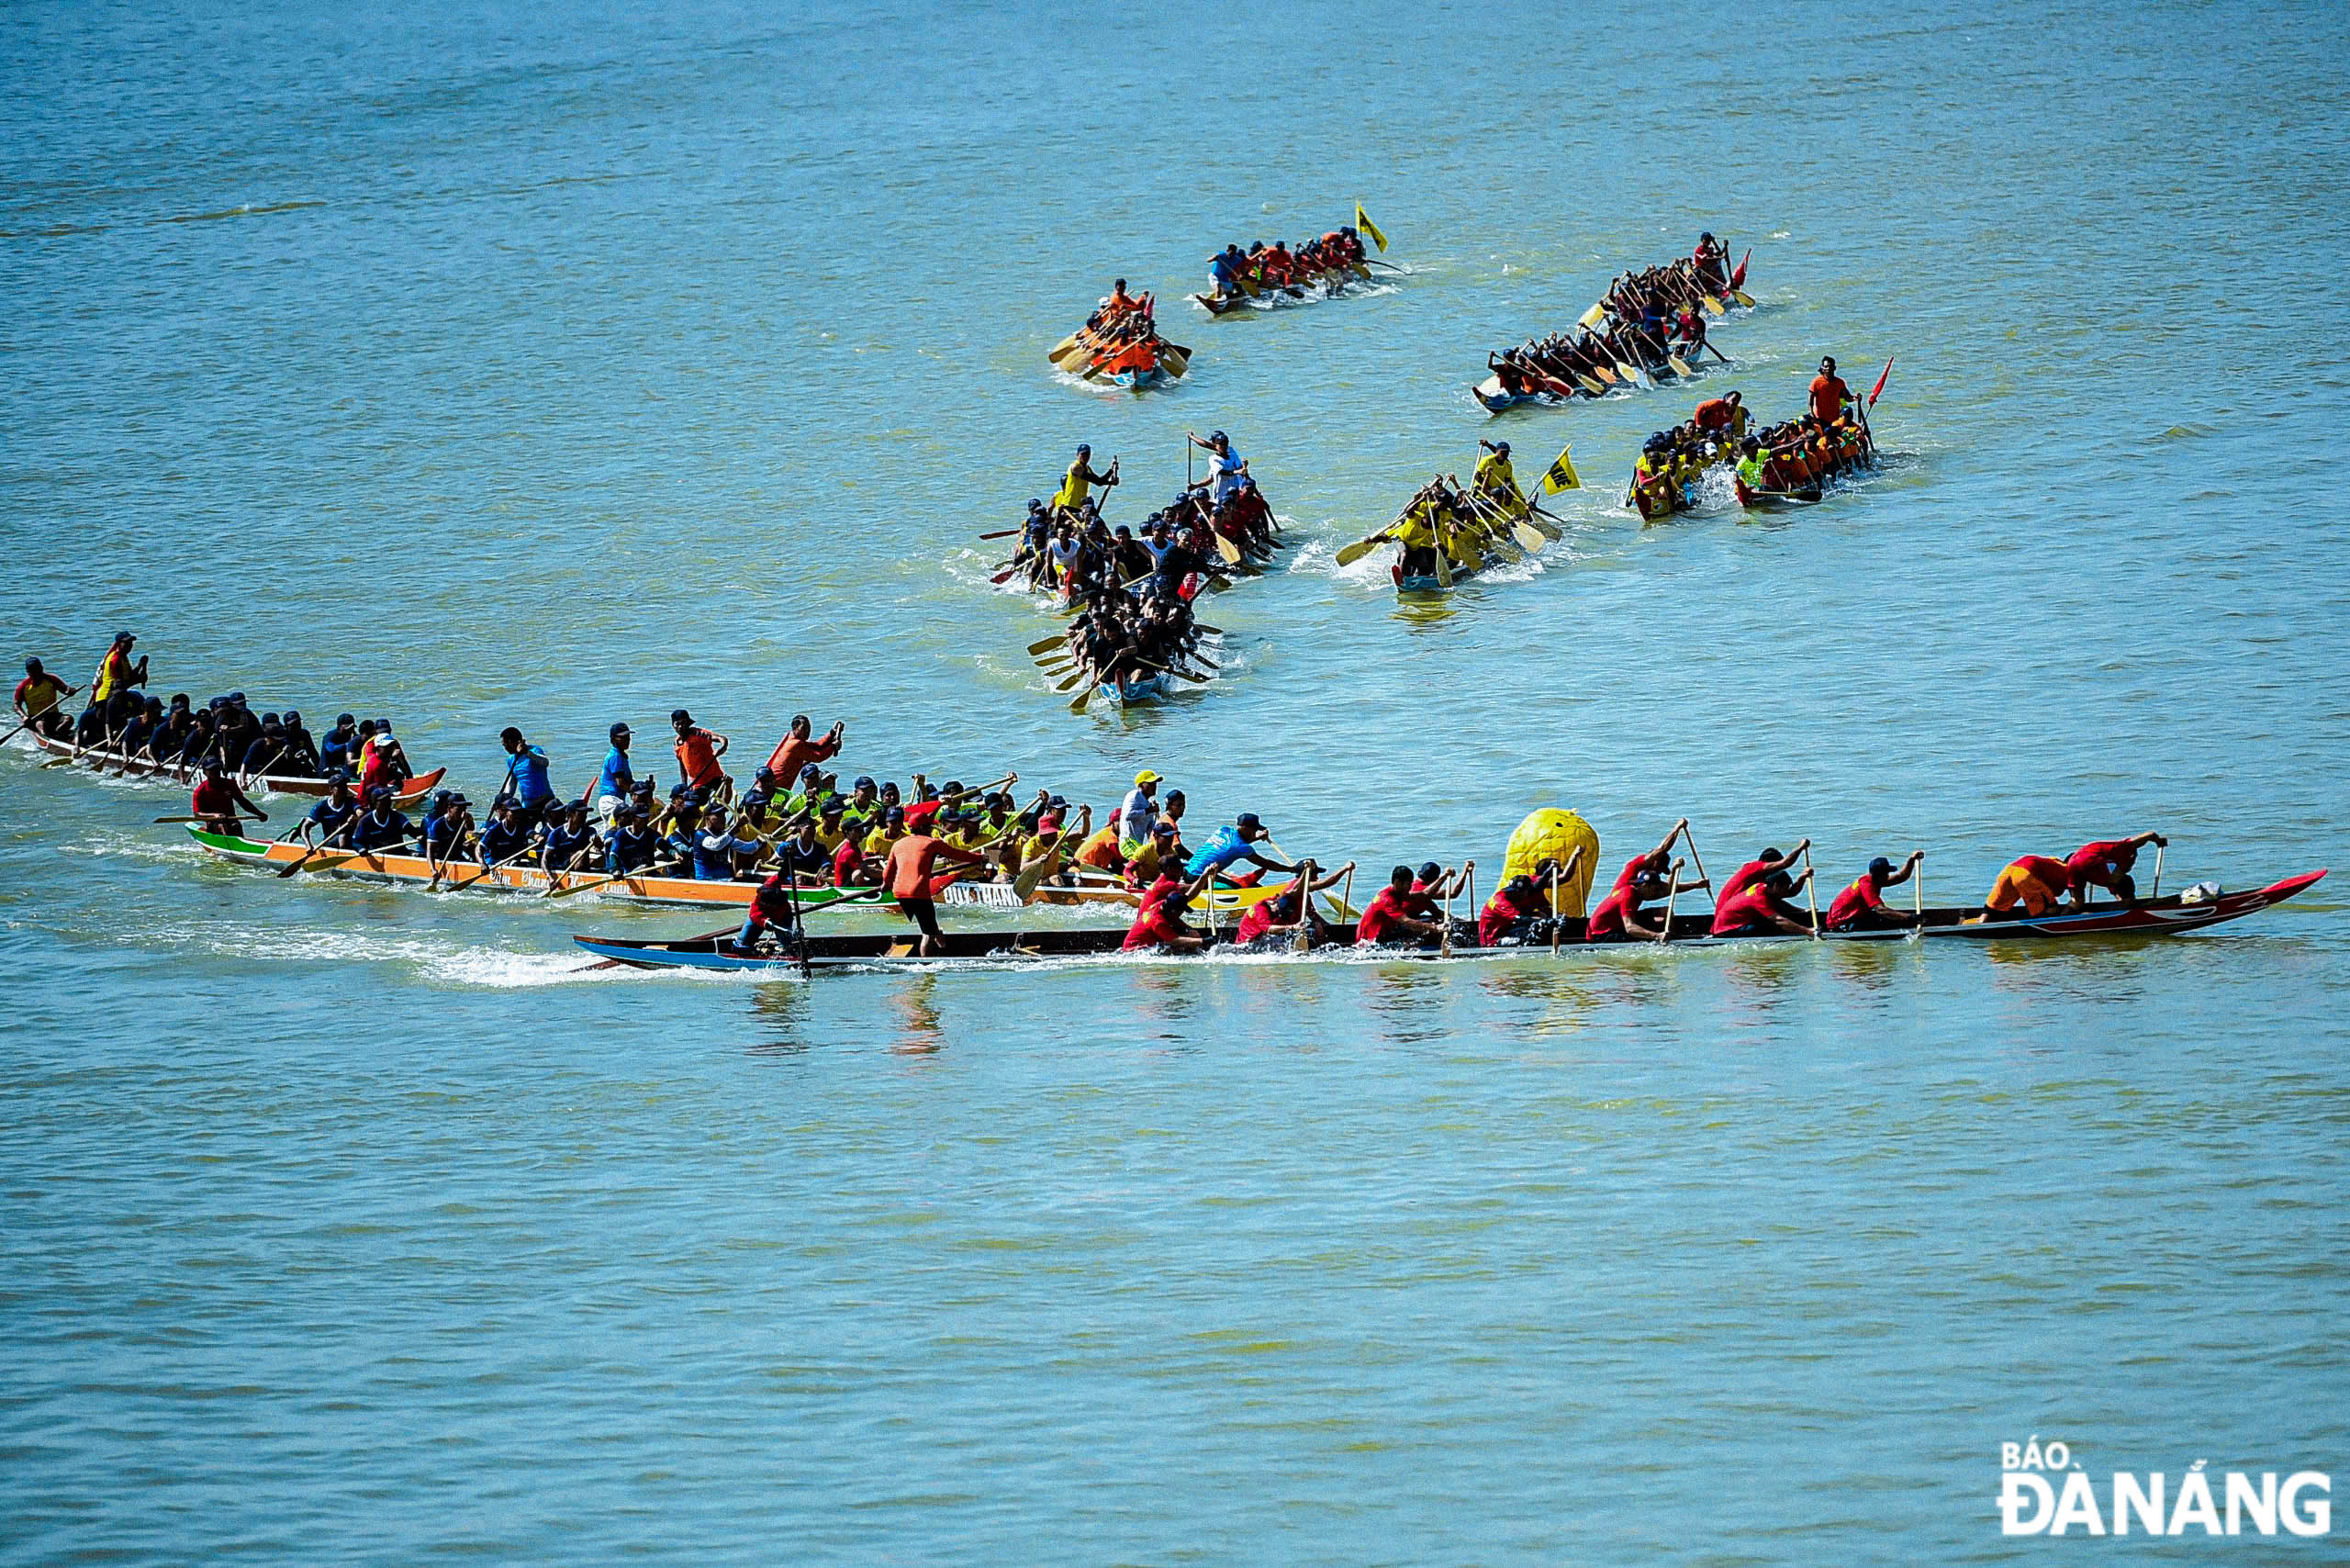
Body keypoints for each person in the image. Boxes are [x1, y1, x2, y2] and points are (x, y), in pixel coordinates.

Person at [880, 826, 991, 957]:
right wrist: (979, 857)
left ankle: (944, 947)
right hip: (918, 891)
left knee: (930, 925)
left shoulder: (898, 844)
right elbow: (958, 854)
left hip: (899, 892)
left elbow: (888, 873)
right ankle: (927, 967)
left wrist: (886, 885)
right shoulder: (932, 843)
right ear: (925, 828)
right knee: (928, 933)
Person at [1587, 826, 1699, 941]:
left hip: (1623, 917)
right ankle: (1660, 937)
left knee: (1665, 912)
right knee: (1640, 934)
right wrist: (1677, 828)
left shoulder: (1642, 884)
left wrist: (1693, 882)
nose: (1660, 872)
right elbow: (1662, 850)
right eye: (1660, 868)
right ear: (1645, 886)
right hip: (1602, 932)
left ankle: (1672, 937)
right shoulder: (1633, 872)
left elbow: (1668, 889)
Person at [1233, 860, 1354, 949]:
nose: (1317, 877)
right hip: (1250, 944)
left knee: (1314, 928)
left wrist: (1332, 930)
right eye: (1315, 873)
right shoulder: (1293, 889)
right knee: (1310, 933)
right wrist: (1344, 869)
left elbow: (1313, 915)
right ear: (1307, 876)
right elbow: (1326, 883)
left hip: (1279, 933)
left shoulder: (1305, 897)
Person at [1710, 842, 1816, 936]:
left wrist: (1802, 877)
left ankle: (1797, 920)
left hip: (1735, 916)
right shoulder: (1754, 868)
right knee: (1774, 923)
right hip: (1728, 922)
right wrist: (1801, 847)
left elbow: (1787, 894)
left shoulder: (1762, 885)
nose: (1777, 871)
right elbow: (1785, 863)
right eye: (1775, 867)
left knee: (1772, 907)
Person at [1122, 864, 1218, 953]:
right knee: (1179, 946)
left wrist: (1189, 930)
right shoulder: (1158, 920)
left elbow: (1176, 920)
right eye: (1180, 910)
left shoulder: (1160, 906)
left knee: (1192, 935)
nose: (1182, 872)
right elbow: (1175, 941)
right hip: (1134, 951)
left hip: (1148, 943)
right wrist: (1205, 941)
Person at [1825, 853, 1926, 932]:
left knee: (1888, 919)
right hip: (1840, 924)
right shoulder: (1867, 886)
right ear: (1879, 875)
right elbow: (1881, 910)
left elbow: (1901, 877)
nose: (1888, 876)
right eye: (1886, 874)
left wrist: (1911, 859)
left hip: (1851, 916)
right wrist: (1910, 917)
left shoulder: (1874, 880)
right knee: (1885, 918)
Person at [2064, 832, 2167, 904]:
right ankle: (2129, 905)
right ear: (2131, 857)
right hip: (2088, 859)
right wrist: (2159, 841)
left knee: (2077, 902)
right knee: (2126, 880)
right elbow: (2150, 835)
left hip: (2072, 864)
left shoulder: (2107, 871)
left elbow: (2115, 887)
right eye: (2132, 862)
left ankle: (2062, 918)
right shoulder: (2123, 848)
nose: (2132, 865)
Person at [1356, 866, 1447, 946]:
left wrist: (1444, 877)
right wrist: (1435, 928)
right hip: (1369, 942)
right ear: (1398, 883)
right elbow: (1407, 922)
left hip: (1385, 932)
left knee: (1428, 925)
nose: (1411, 887)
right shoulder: (1387, 900)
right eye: (1409, 883)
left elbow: (1424, 895)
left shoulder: (1397, 893)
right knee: (1417, 941)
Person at [1977, 853, 2075, 921]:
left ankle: (1980, 926)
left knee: (1992, 908)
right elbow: (2075, 899)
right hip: (2026, 874)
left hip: (2010, 869)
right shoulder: (2070, 872)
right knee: (2051, 909)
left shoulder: (2054, 862)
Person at [762, 713, 844, 787]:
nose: (807, 731)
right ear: (794, 728)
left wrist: (832, 732)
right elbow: (818, 757)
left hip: (777, 783)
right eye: (804, 728)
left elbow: (817, 746)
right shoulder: (795, 744)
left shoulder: (794, 739)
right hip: (776, 785)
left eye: (809, 728)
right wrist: (833, 746)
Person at [190, 759, 267, 836]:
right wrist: (214, 815)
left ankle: (240, 845)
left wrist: (259, 814)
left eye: (217, 768)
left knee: (236, 826)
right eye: (211, 769)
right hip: (213, 822)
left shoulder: (230, 784)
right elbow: (197, 814)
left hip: (231, 819)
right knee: (223, 827)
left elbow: (243, 803)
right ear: (204, 772)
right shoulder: (200, 791)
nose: (215, 771)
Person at [669, 709, 730, 798]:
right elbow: (682, 765)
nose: (680, 727)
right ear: (673, 726)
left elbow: (722, 739)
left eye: (683, 723)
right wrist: (684, 785)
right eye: (677, 724)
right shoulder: (677, 743)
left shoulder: (698, 734)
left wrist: (722, 747)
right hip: (697, 785)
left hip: (714, 780)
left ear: (688, 723)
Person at [13, 658, 77, 739]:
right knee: (40, 725)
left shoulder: (51, 679)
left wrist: (70, 691)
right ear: (28, 672)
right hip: (36, 718)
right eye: (34, 671)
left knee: (69, 719)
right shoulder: (23, 686)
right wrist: (24, 716)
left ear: (42, 668)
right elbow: (16, 705)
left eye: (39, 669)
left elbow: (65, 689)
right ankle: (46, 737)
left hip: (53, 715)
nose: (38, 673)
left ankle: (58, 734)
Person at [541, 800, 601, 879]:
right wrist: (550, 878)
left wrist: (597, 842)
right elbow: (544, 860)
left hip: (580, 866)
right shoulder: (556, 833)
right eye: (581, 814)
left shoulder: (590, 830)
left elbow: (599, 847)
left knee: (595, 857)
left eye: (585, 814)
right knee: (580, 853)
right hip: (561, 868)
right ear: (570, 815)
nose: (585, 817)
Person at [88, 632, 147, 711]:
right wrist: (138, 680)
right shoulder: (115, 660)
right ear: (119, 644)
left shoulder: (123, 657)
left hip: (118, 696)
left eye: (131, 643)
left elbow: (130, 676)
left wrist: (140, 665)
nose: (130, 645)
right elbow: (120, 685)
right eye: (126, 643)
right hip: (107, 698)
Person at [299, 775, 363, 849]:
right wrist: (308, 844)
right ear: (331, 789)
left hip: (352, 841)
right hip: (330, 842)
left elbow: (361, 813)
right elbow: (305, 826)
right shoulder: (321, 806)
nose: (344, 789)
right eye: (339, 786)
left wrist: (358, 818)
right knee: (342, 837)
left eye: (344, 785)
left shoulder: (351, 802)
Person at [1053, 444, 1118, 513]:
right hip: (1069, 506)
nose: (1085, 457)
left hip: (1080, 506)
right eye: (1083, 454)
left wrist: (1112, 474)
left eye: (1087, 454)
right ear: (1077, 455)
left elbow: (1099, 481)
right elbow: (1099, 482)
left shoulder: (1088, 468)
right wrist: (1111, 475)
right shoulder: (1075, 467)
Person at [350, 787, 414, 854]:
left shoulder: (398, 816)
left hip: (399, 854)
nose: (387, 803)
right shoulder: (365, 821)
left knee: (417, 854)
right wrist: (361, 849)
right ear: (374, 803)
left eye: (388, 799)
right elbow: (355, 841)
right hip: (377, 855)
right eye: (383, 801)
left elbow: (412, 831)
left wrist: (419, 836)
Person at [594, 723, 636, 823]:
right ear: (613, 740)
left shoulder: (622, 756)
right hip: (610, 800)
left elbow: (629, 782)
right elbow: (621, 783)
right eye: (623, 737)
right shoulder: (615, 757)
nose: (627, 740)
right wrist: (635, 791)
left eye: (628, 737)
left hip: (616, 800)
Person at [1809, 356, 1851, 427]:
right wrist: (1812, 414)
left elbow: (1847, 398)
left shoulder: (1840, 382)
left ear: (1834, 368)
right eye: (1826, 366)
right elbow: (1811, 401)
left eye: (1830, 366)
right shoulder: (1816, 382)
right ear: (1822, 368)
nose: (1828, 368)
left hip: (1835, 418)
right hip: (1820, 418)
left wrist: (1856, 398)